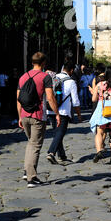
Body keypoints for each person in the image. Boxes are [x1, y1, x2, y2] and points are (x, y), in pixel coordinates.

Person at [17, 52, 60, 188]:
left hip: (24, 115)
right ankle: (31, 178)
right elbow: (50, 97)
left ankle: (27, 171)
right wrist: (57, 113)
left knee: (31, 143)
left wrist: (19, 116)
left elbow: (18, 98)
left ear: (32, 62)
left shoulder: (23, 77)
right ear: (43, 63)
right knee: (35, 145)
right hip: (38, 115)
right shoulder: (45, 77)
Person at [46, 59, 82, 165]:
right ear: (71, 71)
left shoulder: (54, 78)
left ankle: (62, 156)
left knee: (57, 133)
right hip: (63, 111)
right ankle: (51, 152)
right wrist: (79, 114)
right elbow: (75, 101)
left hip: (51, 110)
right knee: (60, 132)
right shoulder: (71, 82)